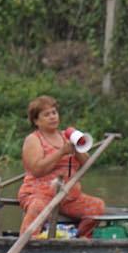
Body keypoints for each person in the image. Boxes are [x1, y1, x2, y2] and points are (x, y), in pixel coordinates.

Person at [19, 96, 105, 237]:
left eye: (54, 113)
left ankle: (77, 237)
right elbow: (37, 170)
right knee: (38, 207)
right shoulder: (33, 139)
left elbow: (86, 164)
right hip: (39, 194)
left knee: (97, 207)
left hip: (68, 196)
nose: (52, 117)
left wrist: (78, 148)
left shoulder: (67, 136)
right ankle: (29, 241)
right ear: (36, 121)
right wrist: (61, 152)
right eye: (46, 115)